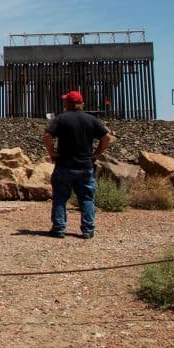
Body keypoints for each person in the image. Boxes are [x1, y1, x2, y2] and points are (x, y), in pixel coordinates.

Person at [43, 90, 114, 239]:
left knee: (60, 198)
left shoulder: (61, 119)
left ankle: (59, 228)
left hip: (64, 165)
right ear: (81, 104)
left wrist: (52, 153)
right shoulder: (91, 119)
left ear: (67, 104)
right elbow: (107, 137)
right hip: (85, 166)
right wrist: (96, 154)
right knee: (87, 199)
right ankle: (87, 230)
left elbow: (48, 135)